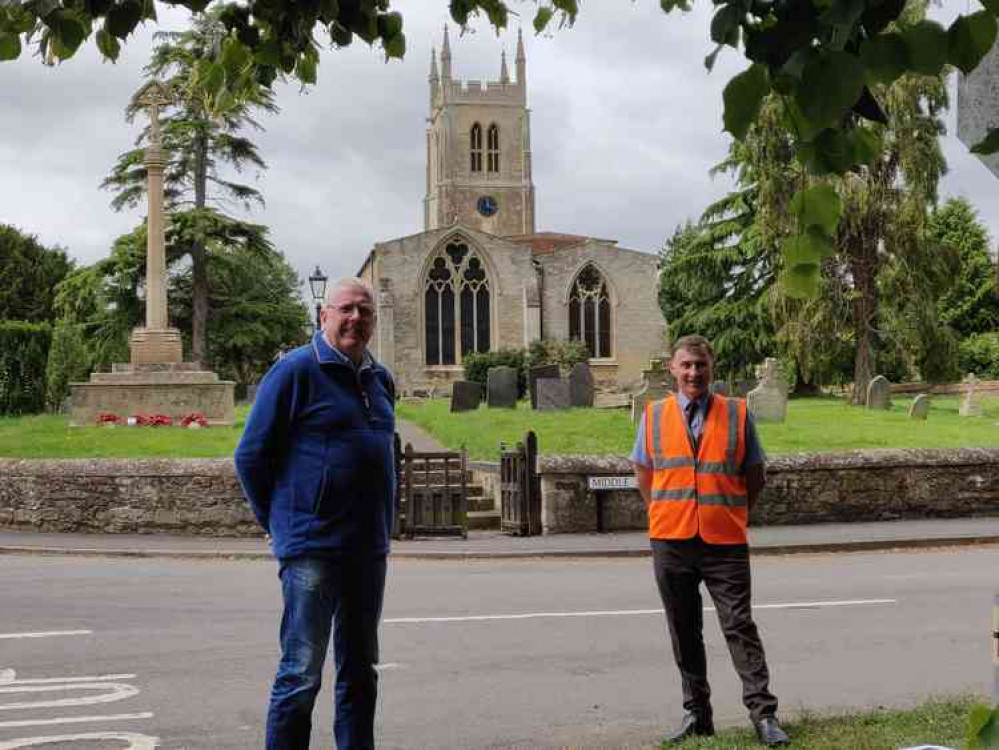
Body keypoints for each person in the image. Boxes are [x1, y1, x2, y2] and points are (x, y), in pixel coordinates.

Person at [235, 277, 396, 750]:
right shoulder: (296, 371)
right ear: (324, 315)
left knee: (360, 671)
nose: (355, 318)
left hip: (368, 548)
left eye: (364, 311)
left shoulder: (380, 378)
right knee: (301, 672)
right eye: (345, 309)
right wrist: (279, 524)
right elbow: (250, 456)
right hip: (312, 548)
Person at [631, 335, 790, 747]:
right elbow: (644, 474)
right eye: (685, 365)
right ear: (672, 369)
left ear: (711, 367)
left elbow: (754, 476)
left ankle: (764, 716)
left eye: (700, 365)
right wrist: (663, 512)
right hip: (671, 539)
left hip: (724, 541)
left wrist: (731, 511)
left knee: (739, 626)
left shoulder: (737, 414)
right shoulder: (654, 415)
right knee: (684, 630)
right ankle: (697, 715)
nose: (693, 373)